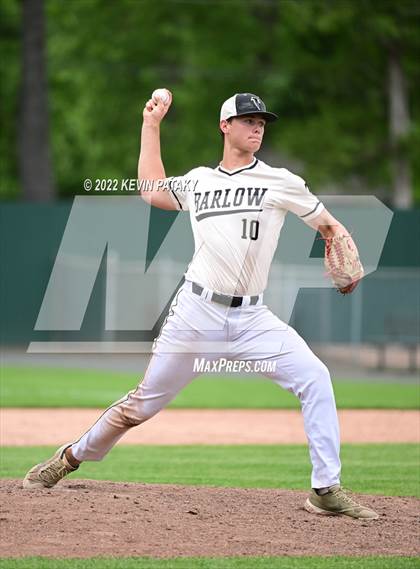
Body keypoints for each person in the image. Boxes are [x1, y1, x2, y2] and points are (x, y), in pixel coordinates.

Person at [23, 92, 378, 520]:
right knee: (140, 406)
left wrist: (339, 242)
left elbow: (327, 223)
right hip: (196, 314)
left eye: (262, 121)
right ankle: (69, 458)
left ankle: (325, 489)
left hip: (252, 317)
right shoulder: (199, 182)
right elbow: (151, 191)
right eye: (248, 120)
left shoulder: (281, 180)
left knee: (316, 378)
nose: (258, 127)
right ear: (225, 126)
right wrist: (151, 125)